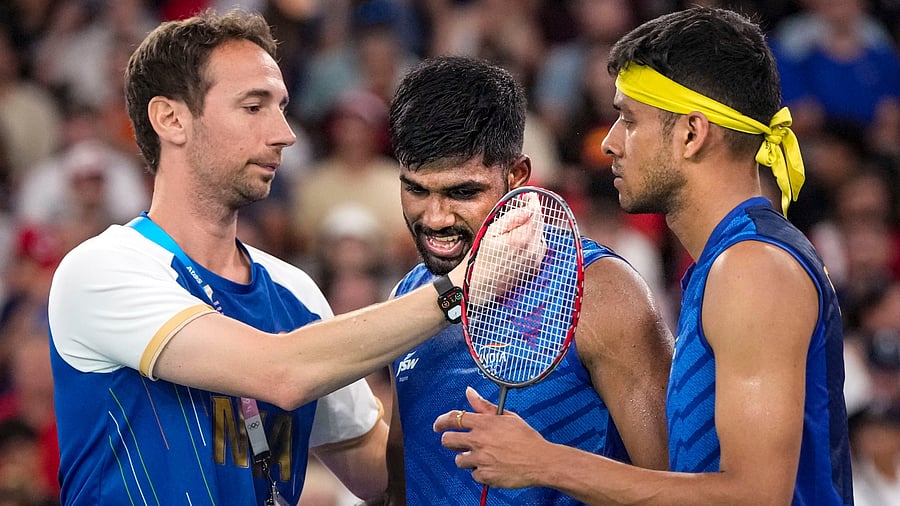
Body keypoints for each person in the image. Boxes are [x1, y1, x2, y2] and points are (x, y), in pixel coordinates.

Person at [47, 10, 537, 506]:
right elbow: (279, 374)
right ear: (171, 119)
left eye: (281, 106)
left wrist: (523, 442)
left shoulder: (295, 293)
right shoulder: (103, 270)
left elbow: (384, 479)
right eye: (254, 107)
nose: (285, 133)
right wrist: (463, 288)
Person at [434, 7, 854, 505]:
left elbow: (754, 498)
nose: (610, 142)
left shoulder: (752, 269)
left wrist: (546, 462)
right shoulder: (731, 259)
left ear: (692, 134)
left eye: (629, 120)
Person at [384, 56, 674, 505]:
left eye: (463, 192)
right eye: (417, 190)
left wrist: (546, 463)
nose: (435, 219)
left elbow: (675, 489)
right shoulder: (409, 297)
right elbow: (402, 482)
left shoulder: (600, 292)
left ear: (517, 175)